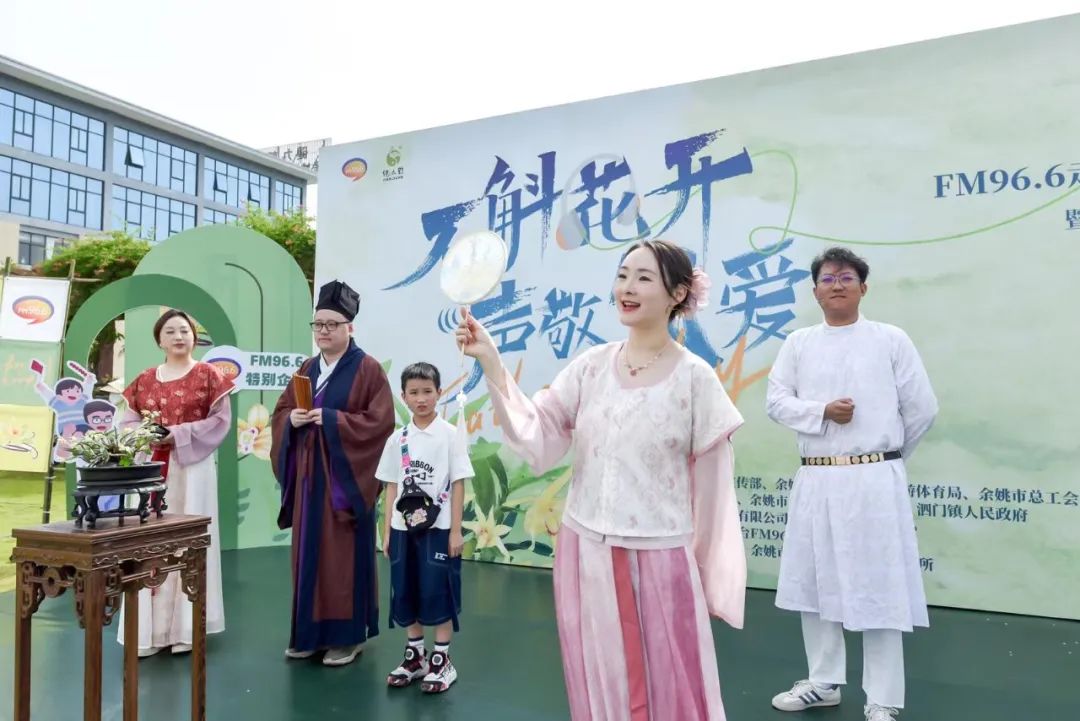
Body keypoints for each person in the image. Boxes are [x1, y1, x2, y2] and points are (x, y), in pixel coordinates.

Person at [456, 239, 746, 721]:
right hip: (585, 548)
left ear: (677, 294)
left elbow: (714, 493)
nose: (626, 288)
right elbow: (540, 434)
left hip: (661, 556)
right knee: (597, 673)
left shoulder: (696, 379)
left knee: (671, 680)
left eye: (644, 278)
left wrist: (708, 578)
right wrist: (490, 359)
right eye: (623, 275)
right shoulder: (591, 366)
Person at [765, 247, 938, 721]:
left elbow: (922, 409)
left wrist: (885, 459)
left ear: (863, 287)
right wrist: (820, 412)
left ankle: (883, 698)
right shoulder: (798, 343)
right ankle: (822, 682)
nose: (836, 284)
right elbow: (776, 401)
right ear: (815, 291)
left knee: (880, 586)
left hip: (874, 481)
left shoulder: (890, 339)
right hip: (816, 477)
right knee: (815, 583)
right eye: (827, 278)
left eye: (846, 277)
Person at [270, 280, 395, 667]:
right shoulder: (307, 369)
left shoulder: (368, 369)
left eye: (332, 324)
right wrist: (291, 421)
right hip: (309, 480)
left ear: (349, 328)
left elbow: (380, 423)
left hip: (344, 483)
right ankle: (309, 635)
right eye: (318, 324)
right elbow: (281, 411)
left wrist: (334, 420)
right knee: (308, 557)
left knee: (342, 561)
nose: (323, 331)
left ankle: (347, 638)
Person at [117, 308, 234, 657]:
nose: (179, 336)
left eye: (184, 330)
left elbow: (220, 422)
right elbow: (127, 423)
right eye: (170, 331)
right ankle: (148, 632)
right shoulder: (144, 380)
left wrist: (177, 434)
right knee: (148, 543)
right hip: (152, 469)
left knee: (188, 542)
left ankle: (186, 628)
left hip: (192, 468)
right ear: (159, 340)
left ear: (194, 337)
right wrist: (148, 436)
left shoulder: (209, 376)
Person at [376, 362, 472, 693]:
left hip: (439, 529)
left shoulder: (451, 436)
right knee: (406, 590)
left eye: (427, 391)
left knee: (437, 590)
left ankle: (442, 661)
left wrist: (456, 530)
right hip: (403, 530)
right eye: (414, 393)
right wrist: (387, 530)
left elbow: (458, 483)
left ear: (440, 393)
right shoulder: (397, 439)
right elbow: (391, 485)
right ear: (403, 396)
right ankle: (415, 656)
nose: (421, 399)